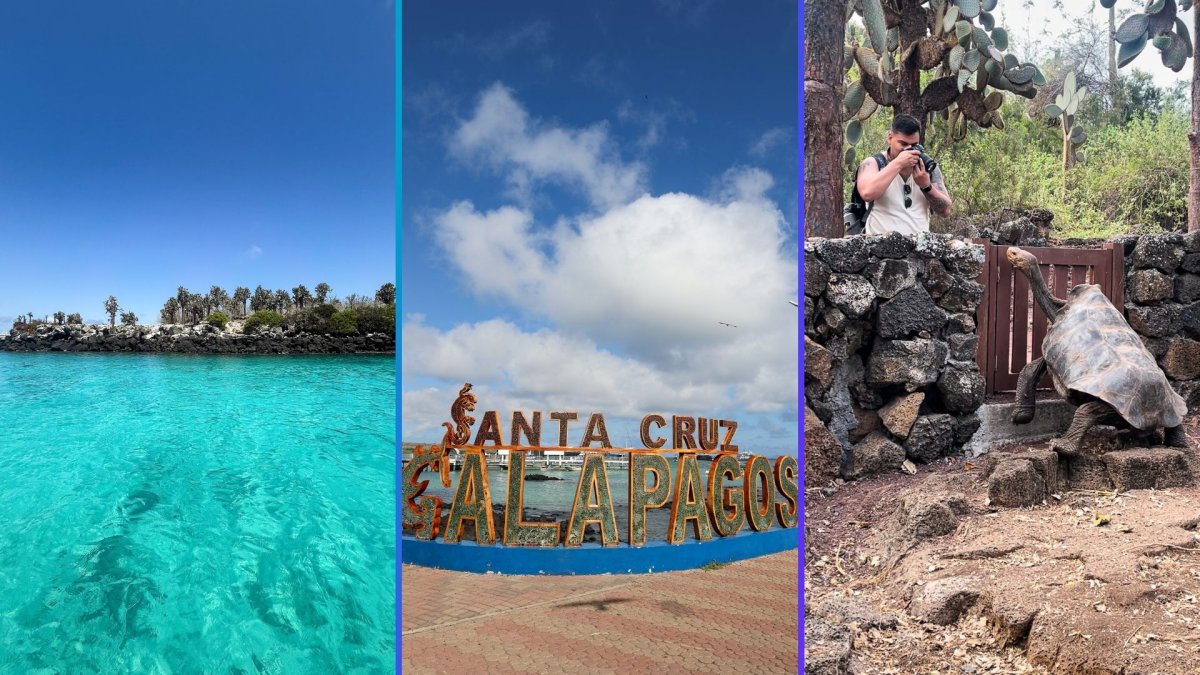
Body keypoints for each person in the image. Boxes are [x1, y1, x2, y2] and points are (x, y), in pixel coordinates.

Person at [855, 114, 952, 236]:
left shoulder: (927, 168)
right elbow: (867, 193)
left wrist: (926, 186)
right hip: (880, 249)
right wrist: (898, 164)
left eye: (914, 145)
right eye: (903, 144)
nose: (908, 150)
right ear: (890, 138)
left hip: (919, 249)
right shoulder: (873, 163)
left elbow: (946, 211)